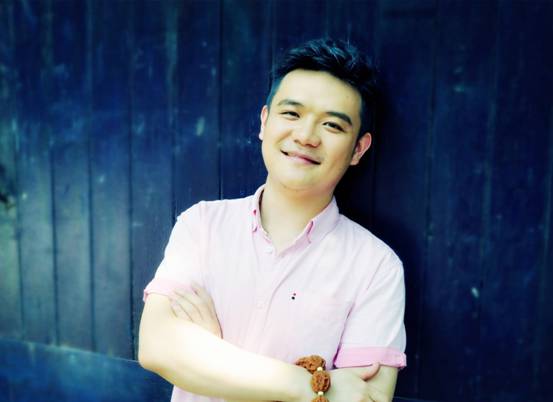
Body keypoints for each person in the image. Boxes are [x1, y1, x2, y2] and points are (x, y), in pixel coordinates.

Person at [138, 38, 406, 402]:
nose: (305, 136)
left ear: (358, 148)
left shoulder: (376, 267)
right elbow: (157, 346)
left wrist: (212, 356)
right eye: (292, 114)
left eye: (332, 125)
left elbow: (365, 399)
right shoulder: (201, 225)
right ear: (265, 122)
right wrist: (310, 385)